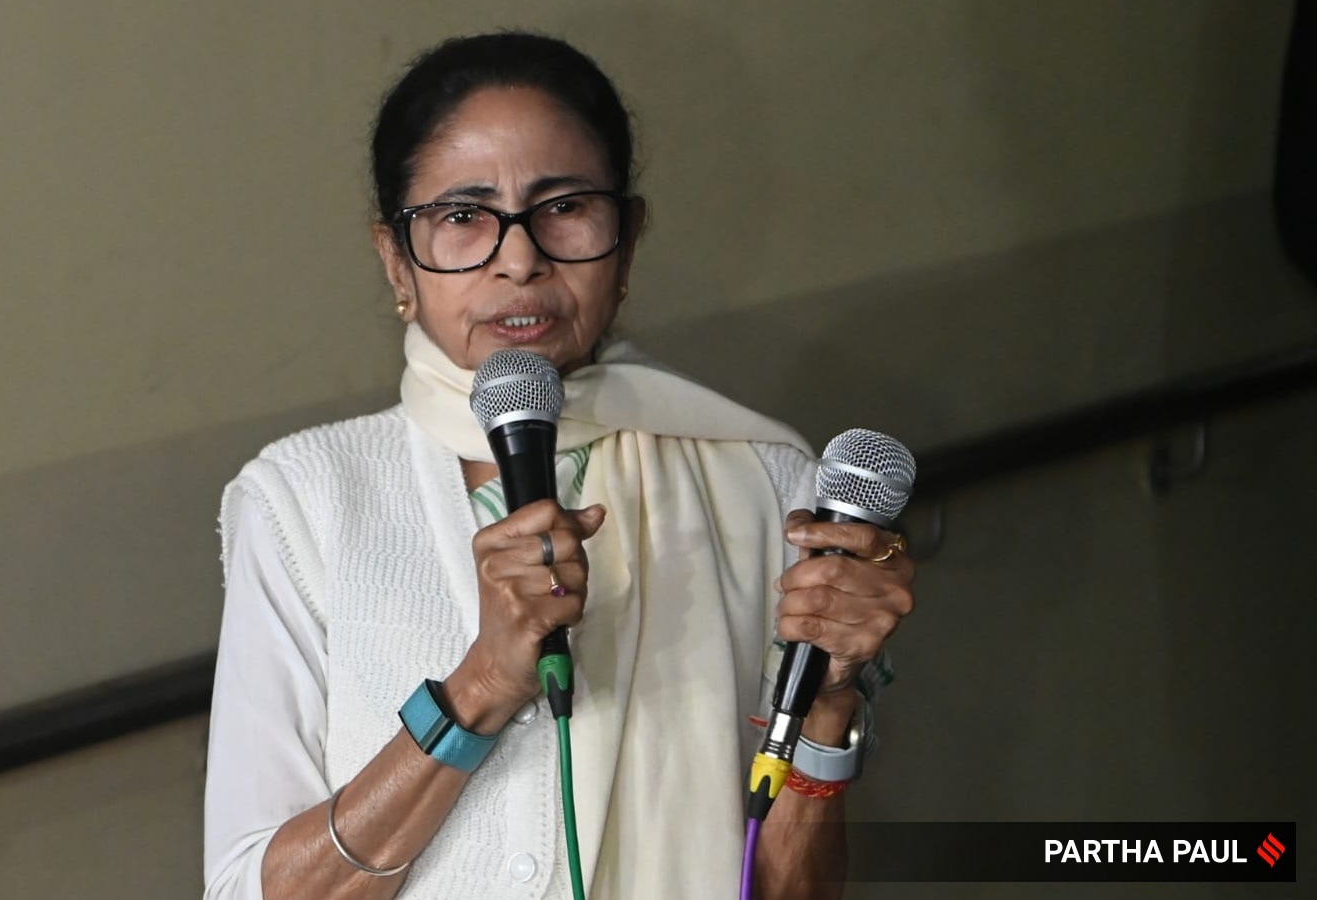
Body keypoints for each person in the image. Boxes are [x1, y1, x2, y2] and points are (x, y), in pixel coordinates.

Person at [203, 31, 916, 900]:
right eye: (462, 217)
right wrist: (482, 683)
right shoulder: (304, 500)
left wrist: (830, 706)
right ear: (396, 260)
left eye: (565, 206)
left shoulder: (766, 485)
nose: (520, 259)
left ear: (628, 240)